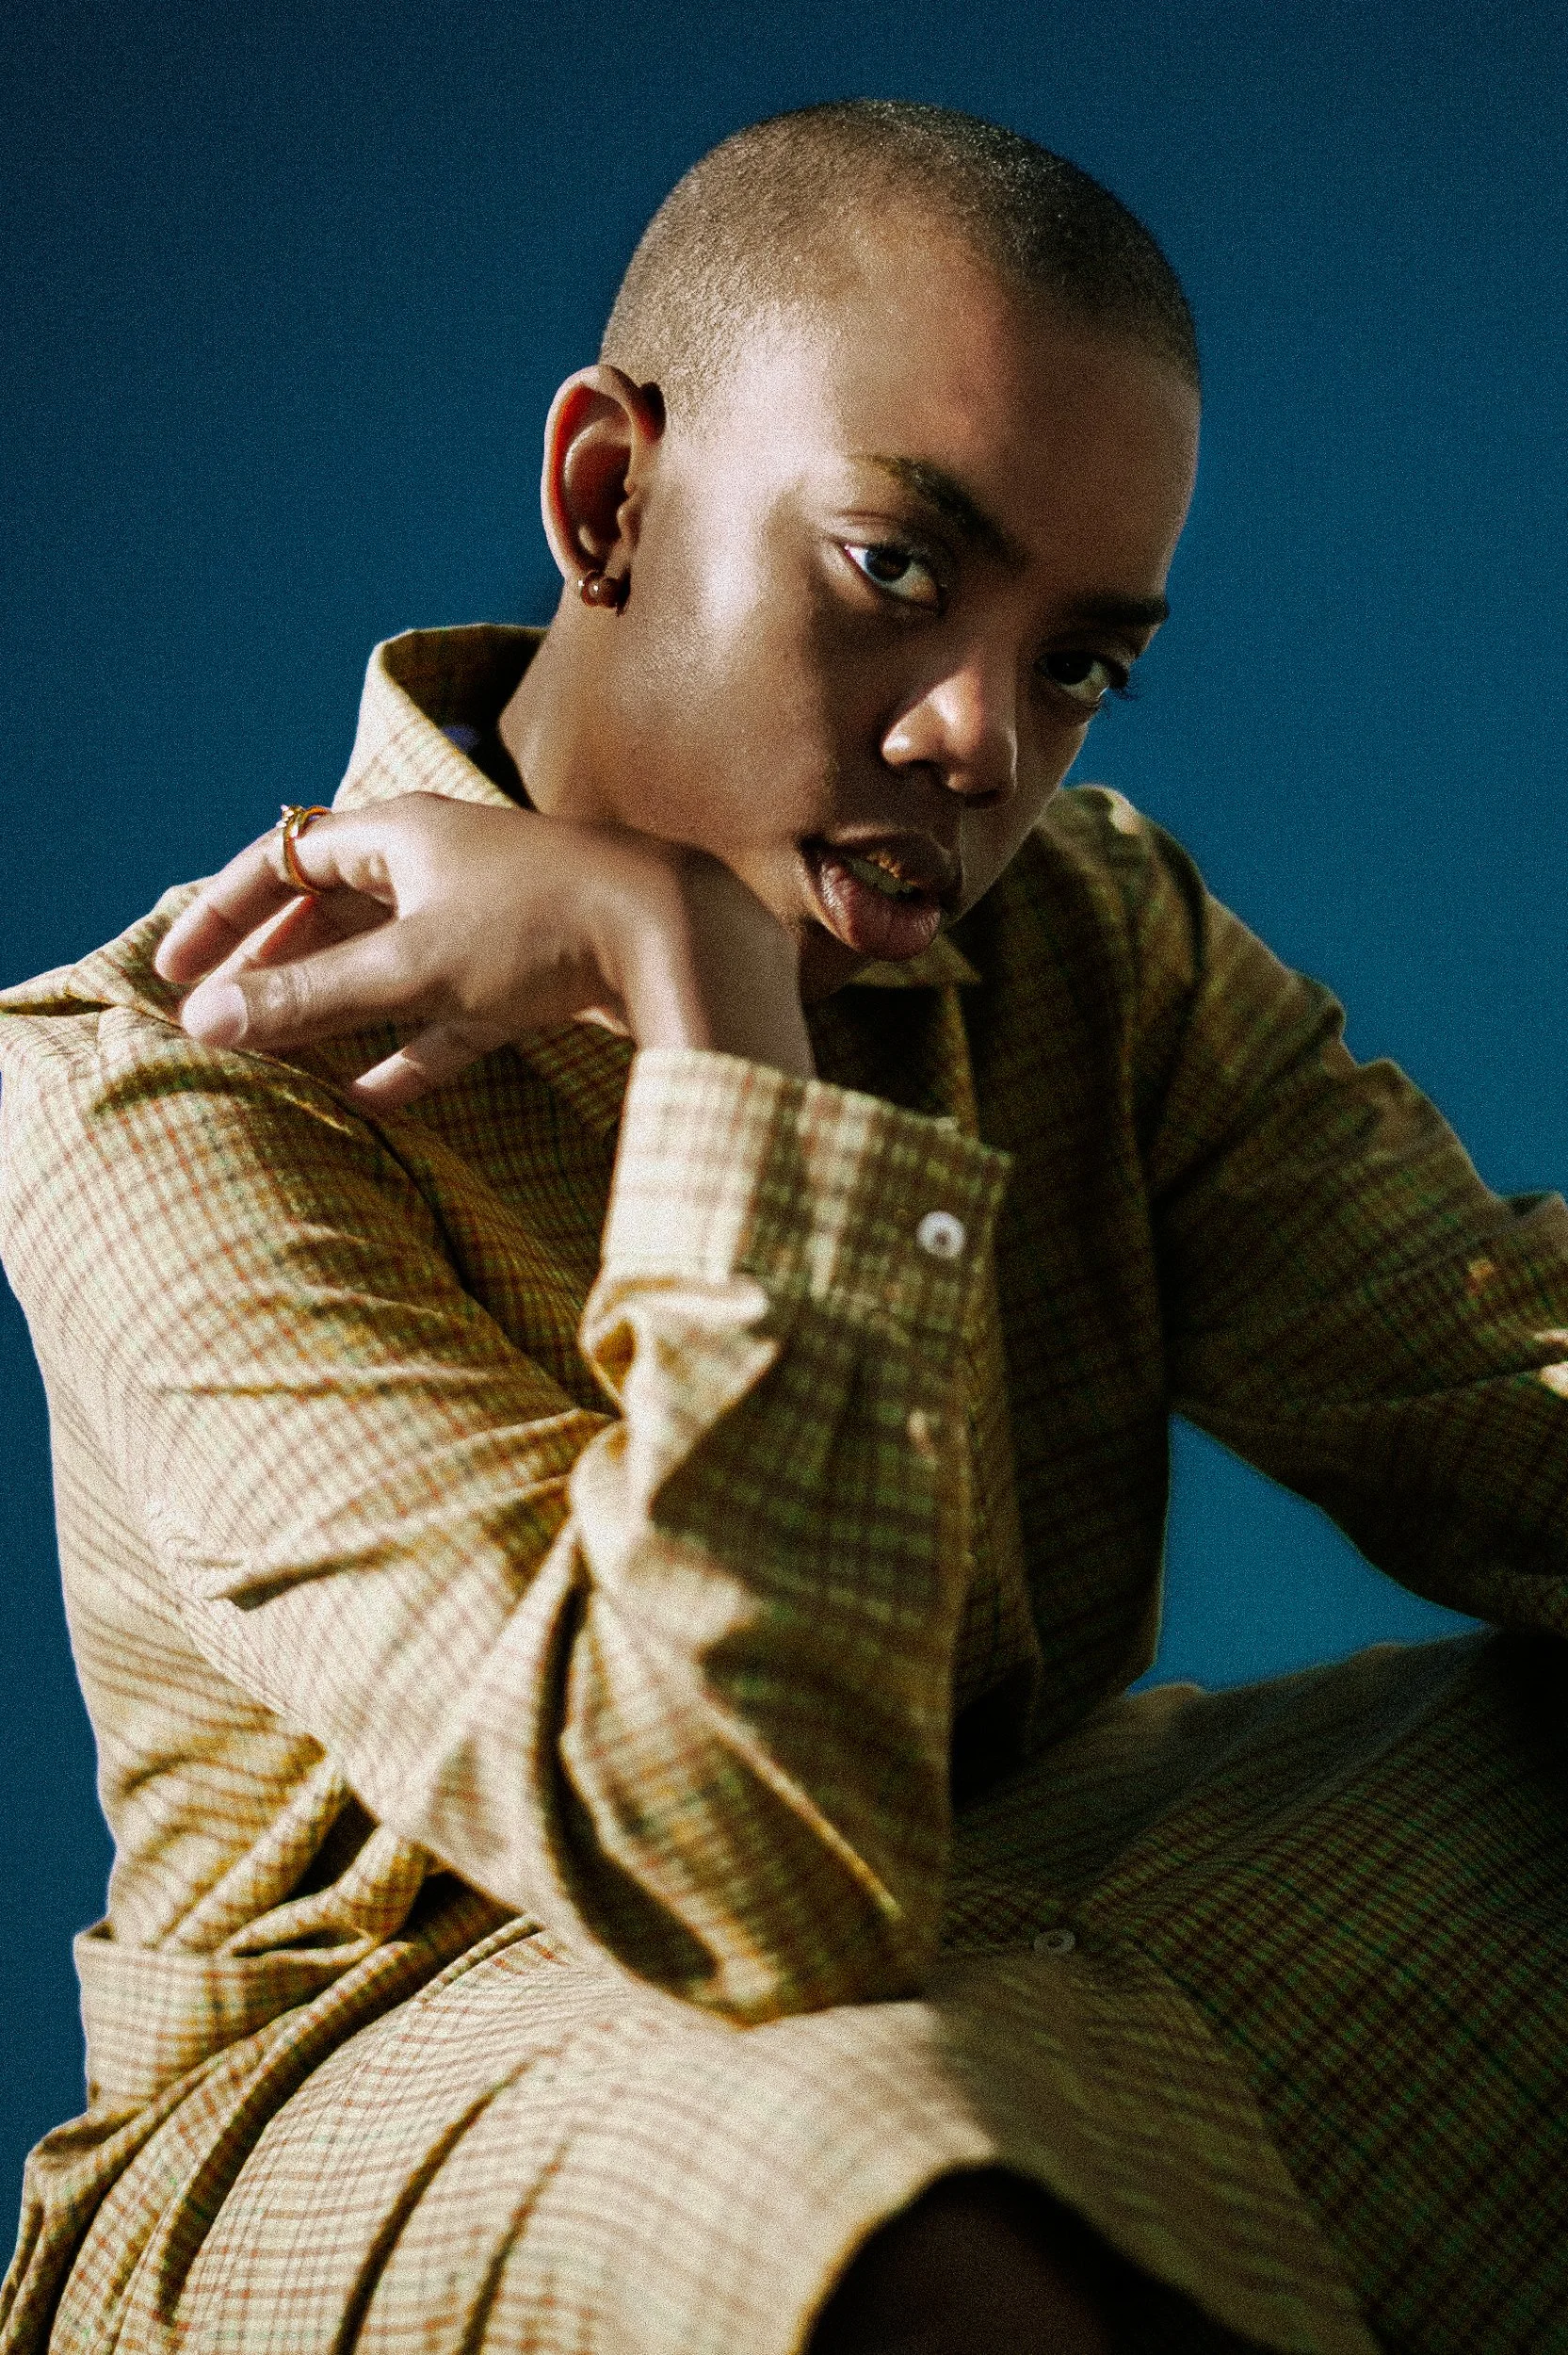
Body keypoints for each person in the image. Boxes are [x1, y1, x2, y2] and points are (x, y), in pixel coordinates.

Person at [1, 97, 1564, 2355]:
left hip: (1005, 1944)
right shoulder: (164, 1082)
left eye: (1077, 660)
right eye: (897, 571)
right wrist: (704, 996)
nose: (980, 741)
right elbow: (730, 1867)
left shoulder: (1084, 942)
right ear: (605, 499)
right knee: (835, 2130)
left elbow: (1508, 1395)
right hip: (373, 2111)